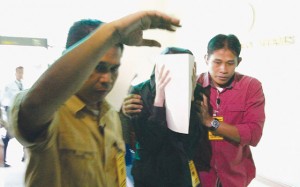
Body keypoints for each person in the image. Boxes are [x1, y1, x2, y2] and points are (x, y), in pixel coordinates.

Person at [8, 11, 181, 187]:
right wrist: (113, 31)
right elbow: (34, 105)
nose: (106, 79)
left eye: (113, 69)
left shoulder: (109, 116)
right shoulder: (50, 113)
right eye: (97, 66)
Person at [121, 47, 211, 187]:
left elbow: (191, 145)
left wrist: (190, 98)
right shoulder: (139, 92)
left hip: (179, 172)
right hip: (149, 173)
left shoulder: (197, 91)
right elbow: (149, 142)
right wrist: (159, 100)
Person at [197, 34, 266, 187]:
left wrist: (210, 122)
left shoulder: (251, 86)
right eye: (217, 62)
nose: (223, 69)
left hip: (235, 174)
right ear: (206, 59)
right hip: (201, 175)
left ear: (238, 62)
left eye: (230, 63)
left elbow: (253, 134)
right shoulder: (194, 84)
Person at [1, 66, 24, 167]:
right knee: (8, 136)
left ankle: (25, 156)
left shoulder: (23, 85)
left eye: (22, 72)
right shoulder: (10, 85)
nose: (21, 74)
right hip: (11, 112)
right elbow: (3, 99)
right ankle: (3, 159)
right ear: (16, 73)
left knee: (24, 133)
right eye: (19, 72)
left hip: (20, 113)